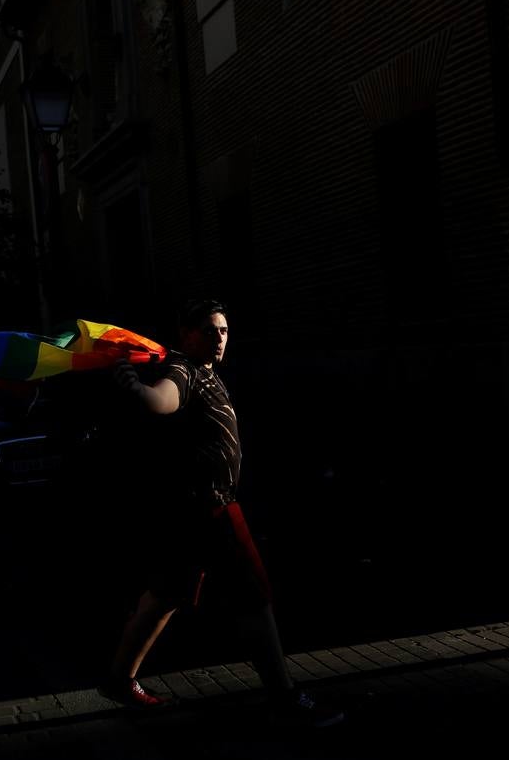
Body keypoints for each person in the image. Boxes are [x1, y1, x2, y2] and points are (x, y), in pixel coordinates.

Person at [98, 299, 344, 728]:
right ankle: (285, 697)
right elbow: (164, 399)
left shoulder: (207, 371)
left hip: (189, 509)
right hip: (210, 507)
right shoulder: (184, 368)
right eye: (210, 330)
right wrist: (140, 392)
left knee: (165, 595)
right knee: (255, 597)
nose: (219, 338)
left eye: (224, 330)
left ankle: (119, 680)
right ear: (187, 333)